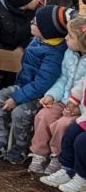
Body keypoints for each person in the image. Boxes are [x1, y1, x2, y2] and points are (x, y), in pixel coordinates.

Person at [0, 5, 67, 164]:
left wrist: (16, 99)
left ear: (47, 30)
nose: (31, 23)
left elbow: (41, 84)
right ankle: (0, 142)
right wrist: (16, 95)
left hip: (41, 96)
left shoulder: (54, 54)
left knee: (20, 111)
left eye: (35, 23)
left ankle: (20, 146)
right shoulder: (37, 41)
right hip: (23, 87)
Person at [28, 12, 85, 175]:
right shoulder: (69, 54)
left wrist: (77, 107)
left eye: (70, 36)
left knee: (63, 125)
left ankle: (58, 158)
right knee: (43, 116)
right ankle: (39, 154)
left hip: (79, 108)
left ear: (82, 42)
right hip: (63, 99)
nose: (65, 38)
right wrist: (51, 95)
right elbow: (63, 79)